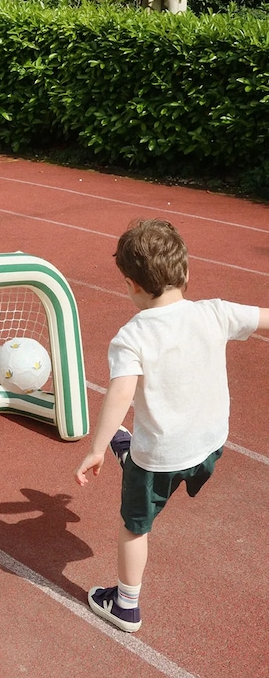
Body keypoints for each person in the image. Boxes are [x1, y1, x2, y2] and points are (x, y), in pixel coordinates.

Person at [75, 218, 269, 633]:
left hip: (159, 458)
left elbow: (122, 395)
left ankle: (126, 605)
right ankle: (131, 452)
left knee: (134, 526)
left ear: (131, 284)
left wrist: (95, 448)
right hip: (210, 445)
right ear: (187, 272)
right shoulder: (216, 313)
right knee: (157, 460)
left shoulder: (132, 337)